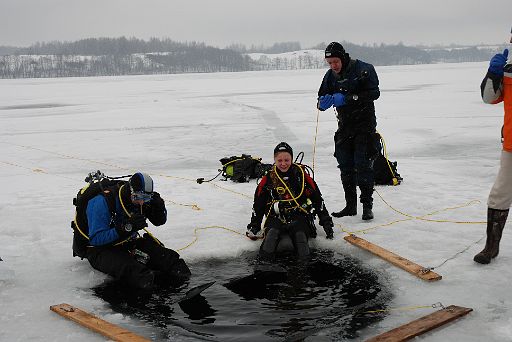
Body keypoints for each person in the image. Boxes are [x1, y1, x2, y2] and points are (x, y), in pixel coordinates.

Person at [84, 172, 191, 290]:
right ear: (130, 191)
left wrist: (159, 207)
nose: (141, 202)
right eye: (138, 197)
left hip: (128, 242)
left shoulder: (141, 200)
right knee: (139, 274)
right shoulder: (102, 202)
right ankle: (150, 303)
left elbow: (159, 221)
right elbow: (96, 239)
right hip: (101, 250)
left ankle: (185, 289)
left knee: (171, 260)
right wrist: (127, 227)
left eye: (145, 198)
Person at [317, 42, 381, 220]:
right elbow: (320, 98)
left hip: (365, 125)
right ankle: (350, 206)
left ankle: (367, 206)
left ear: (343, 57)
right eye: (329, 63)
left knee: (363, 165)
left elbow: (375, 93)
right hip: (345, 126)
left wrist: (347, 98)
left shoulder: (364, 69)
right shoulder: (330, 76)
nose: (333, 66)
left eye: (335, 61)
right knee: (345, 165)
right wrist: (322, 103)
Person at [246, 142, 334, 261]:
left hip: (300, 216)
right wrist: (255, 225)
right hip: (276, 217)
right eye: (279, 160)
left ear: (292, 159)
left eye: (287, 160)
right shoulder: (268, 178)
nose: (283, 164)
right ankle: (263, 271)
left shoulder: (301, 176)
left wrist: (326, 222)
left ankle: (304, 271)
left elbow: (318, 200)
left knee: (300, 238)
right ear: (274, 160)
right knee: (271, 236)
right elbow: (259, 204)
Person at [474, 28, 512, 264]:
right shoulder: (508, 71)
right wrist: (492, 73)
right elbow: (489, 97)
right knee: (499, 195)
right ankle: (491, 247)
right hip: (511, 145)